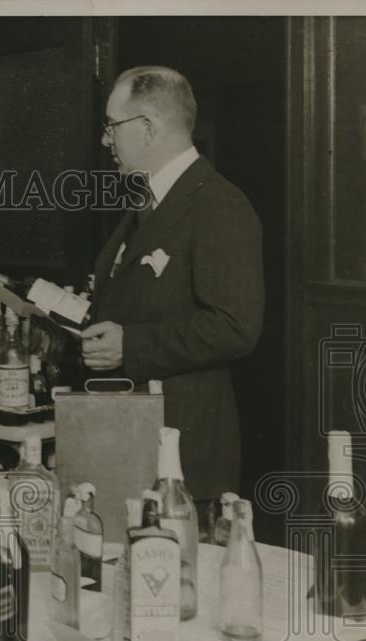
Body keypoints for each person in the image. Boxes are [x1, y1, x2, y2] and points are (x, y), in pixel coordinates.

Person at [81, 66, 264, 507]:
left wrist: (131, 345)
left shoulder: (220, 206)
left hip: (182, 458)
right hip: (130, 442)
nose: (106, 140)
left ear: (147, 128)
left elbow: (236, 326)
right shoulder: (146, 203)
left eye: (111, 126)